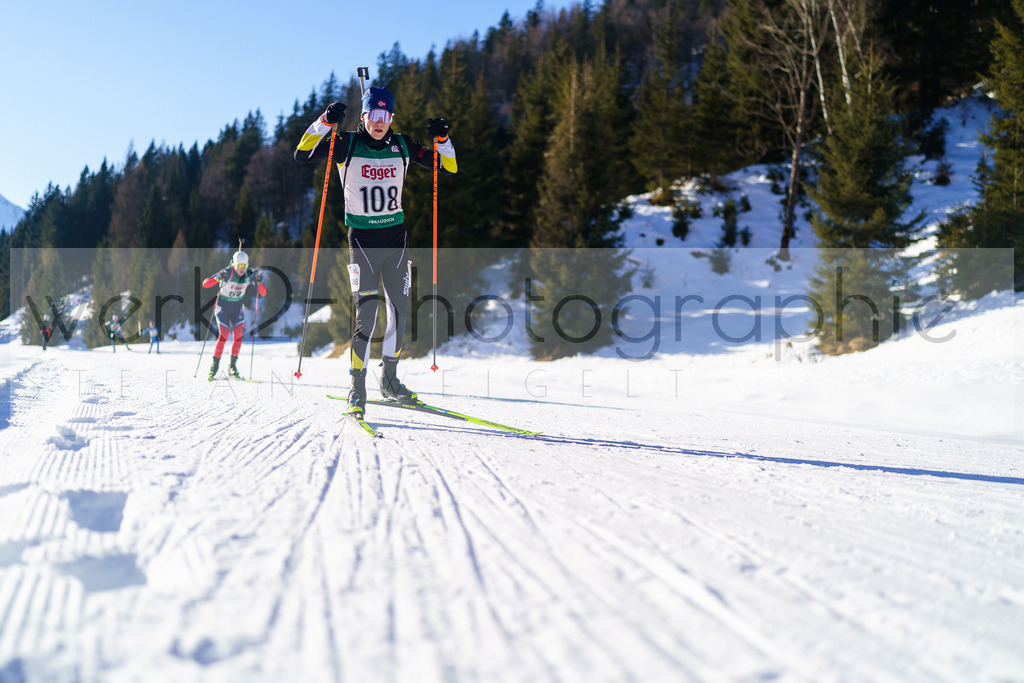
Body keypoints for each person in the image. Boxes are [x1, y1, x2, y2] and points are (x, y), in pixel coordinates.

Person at [294, 85, 456, 417]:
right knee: (366, 317)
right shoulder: (346, 144)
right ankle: (358, 386)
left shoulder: (403, 145)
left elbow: (448, 167)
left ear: (391, 117)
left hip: (396, 243)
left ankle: (391, 381)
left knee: (398, 313)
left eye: (386, 115)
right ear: (364, 116)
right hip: (362, 244)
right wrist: (325, 121)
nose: (379, 122)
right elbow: (303, 152)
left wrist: (443, 140)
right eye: (373, 115)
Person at [202, 250, 265, 380]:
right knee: (224, 334)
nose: (242, 269)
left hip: (237, 307)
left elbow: (263, 293)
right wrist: (217, 278)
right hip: (223, 306)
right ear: (234, 264)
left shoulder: (249, 274)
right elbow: (205, 283)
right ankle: (215, 365)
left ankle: (232, 366)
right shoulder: (227, 272)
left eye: (245, 266)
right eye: (239, 266)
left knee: (238, 336)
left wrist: (259, 282)